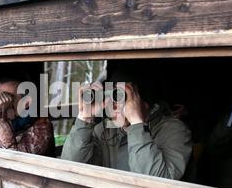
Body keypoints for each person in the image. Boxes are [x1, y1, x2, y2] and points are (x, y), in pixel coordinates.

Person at [61, 70, 192, 180]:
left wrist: (136, 122)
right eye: (109, 95)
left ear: (143, 101)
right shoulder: (105, 130)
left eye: (119, 96)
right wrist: (85, 118)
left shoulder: (174, 130)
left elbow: (157, 184)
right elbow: (69, 168)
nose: (112, 105)